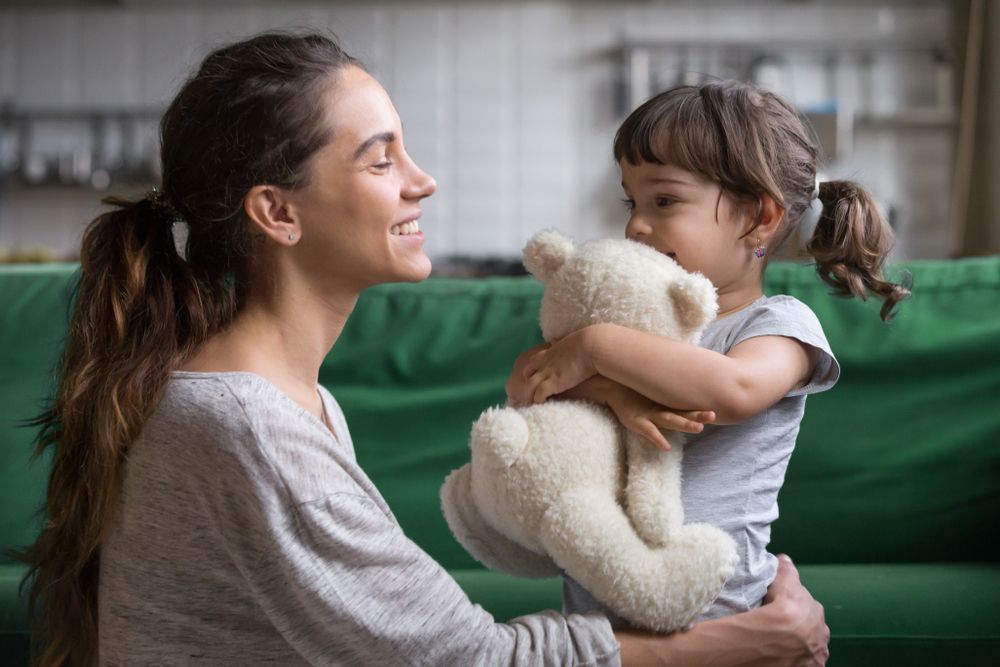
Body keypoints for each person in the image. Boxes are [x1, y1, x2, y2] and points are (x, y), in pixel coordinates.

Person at [21, 33, 829, 666]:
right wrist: (743, 643)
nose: (424, 180)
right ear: (277, 212)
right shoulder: (245, 423)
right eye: (382, 157)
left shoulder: (281, 401)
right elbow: (469, 660)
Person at [507, 80, 910, 626]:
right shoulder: (624, 325)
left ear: (759, 219)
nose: (635, 224)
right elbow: (529, 384)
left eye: (664, 200)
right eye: (633, 200)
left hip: (720, 612)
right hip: (596, 617)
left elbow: (733, 391)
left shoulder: (778, 326)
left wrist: (598, 350)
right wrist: (611, 391)